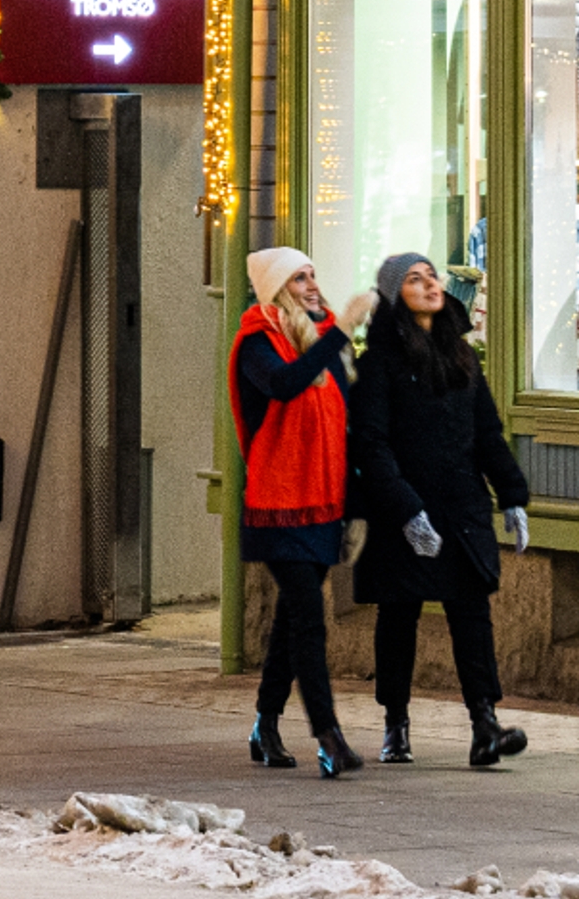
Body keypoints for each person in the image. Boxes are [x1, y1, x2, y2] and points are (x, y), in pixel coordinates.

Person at [350, 251, 534, 768]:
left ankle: (485, 725)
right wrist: (407, 511)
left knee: (472, 613)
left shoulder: (460, 357)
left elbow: (487, 435)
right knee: (400, 616)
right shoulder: (379, 364)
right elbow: (372, 445)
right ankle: (395, 725)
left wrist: (513, 498)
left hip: (461, 506)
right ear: (393, 296)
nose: (430, 284)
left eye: (431, 275)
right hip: (404, 509)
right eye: (414, 279)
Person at [231, 245, 375, 778]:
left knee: (293, 619)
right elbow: (286, 386)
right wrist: (341, 332)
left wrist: (356, 508)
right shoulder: (257, 342)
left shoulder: (324, 341)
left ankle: (265, 724)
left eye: (314, 275)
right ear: (275, 290)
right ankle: (329, 737)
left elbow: (346, 429)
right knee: (309, 620)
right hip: (278, 504)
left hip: (323, 503)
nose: (312, 286)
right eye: (298, 279)